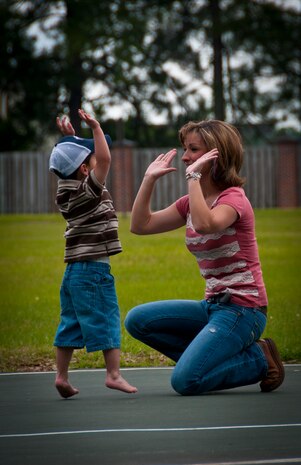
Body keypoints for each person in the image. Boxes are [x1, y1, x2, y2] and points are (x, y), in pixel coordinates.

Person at [125, 119, 284, 395]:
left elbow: (206, 224)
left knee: (185, 382)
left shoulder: (234, 199)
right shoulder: (190, 203)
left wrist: (194, 178)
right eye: (185, 148)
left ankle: (260, 358)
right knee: (137, 320)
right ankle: (204, 360)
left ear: (215, 154)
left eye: (193, 149)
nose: (185, 156)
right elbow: (140, 225)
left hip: (244, 311)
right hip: (212, 307)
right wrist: (149, 179)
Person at [49, 109, 137, 398]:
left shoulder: (65, 190)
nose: (98, 159)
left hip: (73, 271)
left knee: (70, 321)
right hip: (94, 271)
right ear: (86, 171)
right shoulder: (89, 192)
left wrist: (70, 140)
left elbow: (70, 162)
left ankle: (61, 376)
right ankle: (113, 374)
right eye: (92, 160)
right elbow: (106, 158)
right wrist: (96, 127)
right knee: (107, 316)